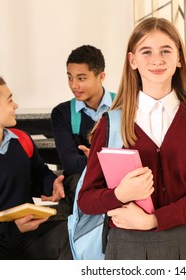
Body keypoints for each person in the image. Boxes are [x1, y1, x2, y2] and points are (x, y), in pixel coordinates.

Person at [78, 17, 186, 260]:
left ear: (179, 59)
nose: (157, 59)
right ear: (132, 60)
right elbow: (87, 200)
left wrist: (153, 220)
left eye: (166, 50)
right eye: (146, 52)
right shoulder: (111, 123)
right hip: (125, 246)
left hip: (182, 245)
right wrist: (120, 194)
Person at [0, 73, 72, 259]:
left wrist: (51, 184)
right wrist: (10, 228)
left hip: (29, 235)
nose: (15, 105)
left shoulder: (22, 139)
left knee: (69, 235)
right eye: (9, 100)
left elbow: (39, 174)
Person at [50, 45, 114, 218]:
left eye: (81, 78)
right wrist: (106, 162)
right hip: (81, 181)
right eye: (70, 78)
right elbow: (70, 163)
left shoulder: (124, 105)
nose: (74, 85)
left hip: (118, 180)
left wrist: (92, 159)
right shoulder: (62, 113)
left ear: (101, 77)